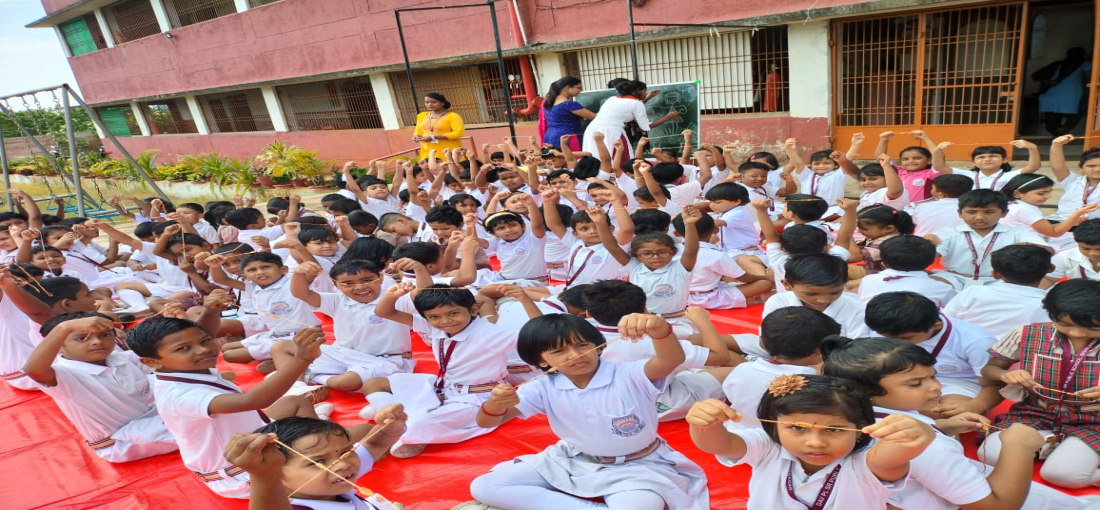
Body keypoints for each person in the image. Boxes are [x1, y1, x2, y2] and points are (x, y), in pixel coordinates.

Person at [466, 313, 710, 510]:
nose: (575, 356)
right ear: (541, 361)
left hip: (639, 466)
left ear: (598, 346)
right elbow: (486, 422)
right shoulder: (543, 386)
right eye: (559, 351)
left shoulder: (629, 374)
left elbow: (670, 359)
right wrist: (496, 404)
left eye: (582, 345)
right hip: (573, 460)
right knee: (485, 486)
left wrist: (659, 328)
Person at [822, 336, 1093, 510]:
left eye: (932, 376)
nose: (935, 388)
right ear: (868, 392)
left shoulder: (845, 416)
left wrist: (943, 428)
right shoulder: (923, 447)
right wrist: (1018, 447)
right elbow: (998, 507)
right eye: (916, 383)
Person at [127, 316, 328, 498]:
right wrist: (302, 359)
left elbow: (203, 331)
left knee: (296, 402)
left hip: (256, 436)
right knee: (345, 454)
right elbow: (253, 402)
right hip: (241, 474)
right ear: (152, 362)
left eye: (205, 341)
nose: (203, 349)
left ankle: (319, 446)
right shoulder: (179, 395)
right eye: (183, 348)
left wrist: (212, 310)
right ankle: (319, 450)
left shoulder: (191, 369)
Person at [687, 374, 936, 510]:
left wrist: (916, 435)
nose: (815, 442)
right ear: (774, 423)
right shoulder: (768, 446)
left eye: (833, 429)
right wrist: (702, 423)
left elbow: (896, 454)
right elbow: (719, 445)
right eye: (797, 428)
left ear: (860, 430)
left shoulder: (868, 464)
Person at [981, 279, 1100, 489]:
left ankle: (1065, 454)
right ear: (1051, 314)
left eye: (1091, 328)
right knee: (989, 454)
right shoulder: (1027, 334)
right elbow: (989, 370)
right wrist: (1006, 375)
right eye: (1065, 324)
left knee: (1062, 475)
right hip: (1038, 413)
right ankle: (1062, 449)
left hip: (1094, 421)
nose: (1076, 333)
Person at [24, 312, 178, 462]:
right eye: (81, 338)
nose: (97, 342)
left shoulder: (121, 358)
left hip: (153, 421)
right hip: (121, 442)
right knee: (196, 427)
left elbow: (170, 355)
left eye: (105, 335)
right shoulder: (65, 376)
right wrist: (64, 328)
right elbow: (33, 370)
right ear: (59, 347)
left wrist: (178, 322)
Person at [225, 413, 409, 510]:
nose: (342, 463)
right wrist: (263, 476)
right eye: (317, 462)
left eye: (346, 452)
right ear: (277, 474)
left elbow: (375, 443)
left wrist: (392, 424)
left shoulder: (336, 473)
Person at [865, 292, 999, 417]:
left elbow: (993, 385)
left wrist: (977, 405)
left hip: (958, 384)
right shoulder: (885, 328)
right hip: (901, 379)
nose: (895, 343)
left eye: (906, 338)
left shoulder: (976, 342)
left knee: (947, 411)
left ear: (936, 325)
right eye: (884, 336)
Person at [722, 307, 840, 426]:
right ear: (819, 352)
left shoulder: (743, 369)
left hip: (733, 431)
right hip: (778, 439)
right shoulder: (816, 383)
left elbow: (730, 398)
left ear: (762, 342)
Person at [925, 189, 1051, 289]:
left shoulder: (1017, 232)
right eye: (972, 212)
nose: (979, 217)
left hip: (997, 280)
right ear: (960, 213)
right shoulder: (948, 233)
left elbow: (1048, 250)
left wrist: (1027, 245)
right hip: (954, 277)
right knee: (931, 284)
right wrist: (925, 246)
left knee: (1020, 289)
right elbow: (930, 256)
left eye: (989, 212)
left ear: (1004, 213)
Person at [943, 245, 1052, 337]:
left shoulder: (972, 292)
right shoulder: (1049, 304)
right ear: (1051, 269)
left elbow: (945, 321)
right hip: (1015, 358)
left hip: (962, 351)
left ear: (995, 274)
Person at [581, 80, 678, 159]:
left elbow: (628, 107)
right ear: (636, 91)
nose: (646, 93)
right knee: (618, 157)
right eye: (645, 90)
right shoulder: (636, 104)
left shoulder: (612, 99)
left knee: (596, 157)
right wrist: (667, 118)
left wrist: (648, 97)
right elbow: (646, 126)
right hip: (612, 132)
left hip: (593, 130)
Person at [932, 142, 1041, 191]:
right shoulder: (967, 175)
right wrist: (937, 151)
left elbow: (1033, 167)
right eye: (981, 157)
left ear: (1005, 160)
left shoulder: (1010, 176)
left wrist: (1032, 148)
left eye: (993, 156)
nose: (987, 159)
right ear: (973, 162)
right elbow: (940, 167)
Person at [1033, 47, 1091, 137]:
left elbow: (1036, 75)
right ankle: (1065, 128)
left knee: (1052, 115)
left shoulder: (1059, 64)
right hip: (1072, 93)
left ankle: (1054, 132)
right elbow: (1090, 78)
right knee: (1077, 112)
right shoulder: (1085, 64)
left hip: (1051, 93)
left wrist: (1048, 82)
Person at [1048, 138, 1100, 222]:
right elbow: (1057, 167)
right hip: (1064, 222)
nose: (1098, 169)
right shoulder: (1073, 181)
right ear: (1081, 167)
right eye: (1091, 166)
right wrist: (1056, 145)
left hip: (1094, 227)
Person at [539, 77, 596, 150]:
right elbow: (592, 116)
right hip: (568, 137)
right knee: (572, 159)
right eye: (578, 88)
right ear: (568, 88)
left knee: (554, 159)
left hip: (550, 135)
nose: (580, 91)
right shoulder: (568, 104)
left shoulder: (548, 102)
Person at [413, 93, 464, 161]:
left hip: (448, 150)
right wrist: (416, 136)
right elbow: (418, 130)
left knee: (451, 169)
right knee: (432, 169)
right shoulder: (422, 116)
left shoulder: (453, 116)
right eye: (427, 102)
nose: (429, 104)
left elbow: (459, 133)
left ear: (442, 103)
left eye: (433, 102)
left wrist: (434, 137)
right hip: (428, 150)